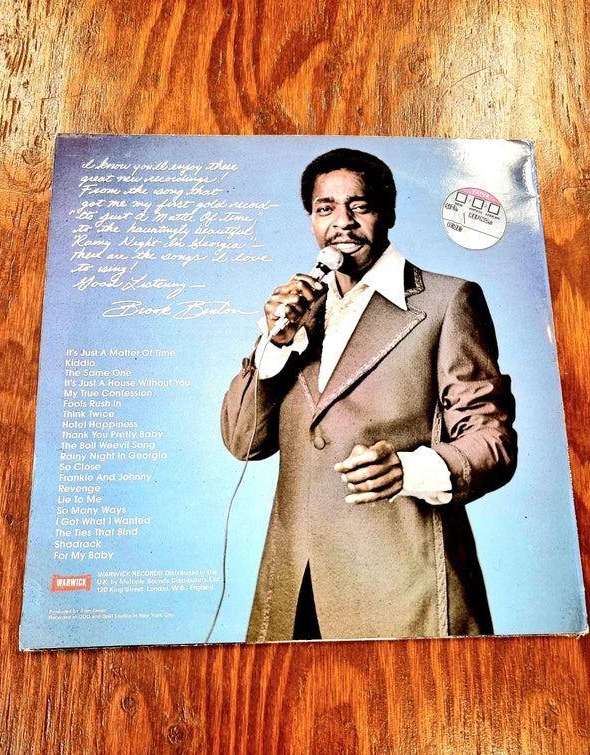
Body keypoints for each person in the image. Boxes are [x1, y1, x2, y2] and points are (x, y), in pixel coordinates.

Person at [220, 148, 517, 643]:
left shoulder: (448, 300)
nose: (343, 222)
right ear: (311, 220)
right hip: (294, 591)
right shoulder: (298, 316)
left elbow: (493, 441)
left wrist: (410, 470)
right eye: (325, 208)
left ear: (389, 214)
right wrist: (273, 346)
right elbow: (242, 440)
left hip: (402, 588)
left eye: (359, 206)